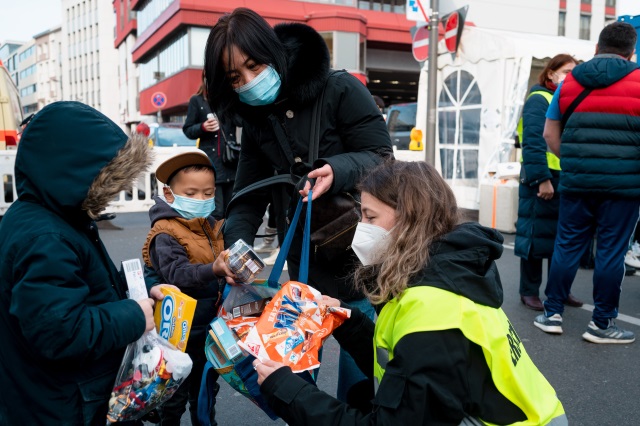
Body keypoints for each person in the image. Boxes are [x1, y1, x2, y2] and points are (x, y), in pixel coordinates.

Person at [252, 160, 567, 425]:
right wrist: (349, 323)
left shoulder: (435, 314)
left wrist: (288, 391)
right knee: (361, 396)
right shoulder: (440, 275)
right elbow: (403, 364)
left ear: (409, 219)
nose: (361, 228)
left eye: (370, 217)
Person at [203, 7, 393, 403]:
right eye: (235, 78)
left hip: (361, 260)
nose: (249, 82)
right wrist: (237, 248)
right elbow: (248, 196)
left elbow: (382, 157)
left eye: (254, 66)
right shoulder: (255, 120)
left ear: (273, 52)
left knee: (362, 382)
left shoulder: (339, 88)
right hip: (303, 272)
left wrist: (337, 170)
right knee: (294, 381)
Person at [0, 101, 168, 424]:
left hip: (46, 394)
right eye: (108, 179)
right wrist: (134, 315)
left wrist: (139, 290)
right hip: (61, 406)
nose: (113, 193)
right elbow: (60, 332)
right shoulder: (47, 238)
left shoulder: (51, 214)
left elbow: (83, 287)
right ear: (75, 170)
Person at [534, 21, 640, 344]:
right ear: (631, 52)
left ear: (596, 48)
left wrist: (572, 162)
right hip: (624, 187)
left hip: (577, 182)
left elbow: (549, 133)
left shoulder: (569, 82)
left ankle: (552, 314)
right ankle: (601, 324)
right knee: (611, 252)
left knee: (567, 245)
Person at [141, 151, 235, 425]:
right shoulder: (164, 232)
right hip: (177, 331)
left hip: (208, 326)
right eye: (191, 193)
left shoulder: (209, 224)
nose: (201, 200)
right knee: (174, 394)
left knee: (205, 390)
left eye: (208, 193)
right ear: (169, 194)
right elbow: (177, 274)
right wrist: (214, 269)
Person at [515, 53, 583, 311]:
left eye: (573, 72)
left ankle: (559, 290)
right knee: (535, 237)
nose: (570, 77)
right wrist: (542, 179)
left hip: (563, 177)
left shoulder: (565, 100)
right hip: (541, 178)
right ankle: (529, 292)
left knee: (560, 239)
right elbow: (533, 142)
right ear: (551, 73)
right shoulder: (539, 98)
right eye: (566, 71)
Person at [183, 84, 238, 220]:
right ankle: (215, 234)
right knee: (216, 211)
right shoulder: (197, 100)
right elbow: (188, 130)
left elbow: (241, 121)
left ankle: (226, 234)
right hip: (210, 163)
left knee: (232, 209)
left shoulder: (229, 99)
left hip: (231, 161)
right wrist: (202, 127)